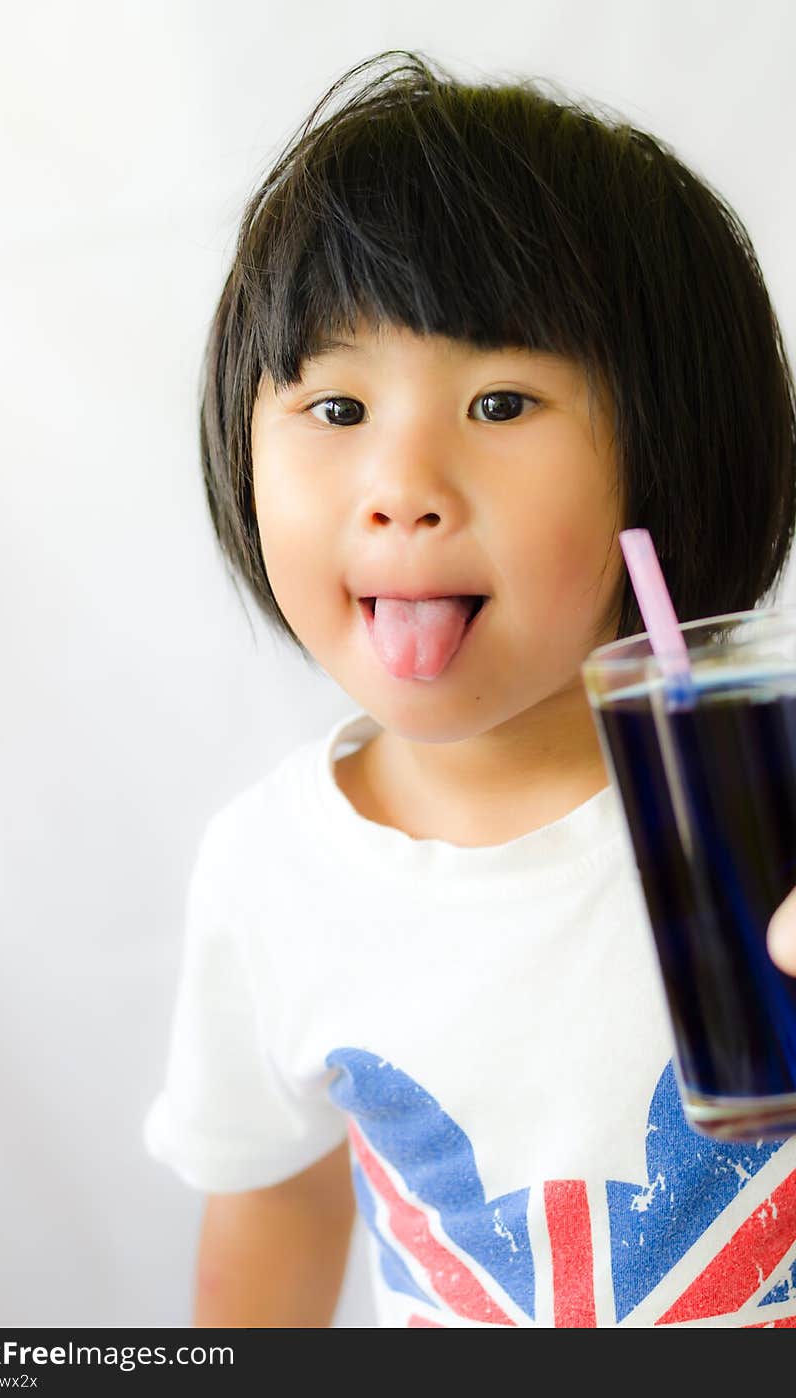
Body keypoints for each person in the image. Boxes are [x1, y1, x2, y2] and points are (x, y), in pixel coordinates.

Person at [142, 50, 796, 1328]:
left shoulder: (766, 796)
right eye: (333, 407)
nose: (401, 480)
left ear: (665, 457)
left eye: (499, 400)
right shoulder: (266, 872)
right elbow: (276, 1207)